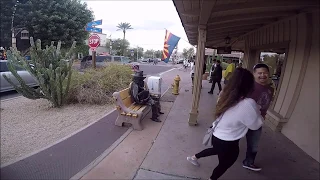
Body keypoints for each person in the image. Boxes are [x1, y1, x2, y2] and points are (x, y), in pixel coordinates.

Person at [187, 68, 263, 180]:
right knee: (224, 165)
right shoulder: (248, 104)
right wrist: (259, 112)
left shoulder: (224, 94)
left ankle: (194, 157)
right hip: (229, 143)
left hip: (217, 134)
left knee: (216, 149)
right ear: (249, 85)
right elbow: (255, 125)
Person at [242, 63, 274, 171]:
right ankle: (225, 156)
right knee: (231, 140)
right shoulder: (248, 87)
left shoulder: (270, 89)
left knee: (254, 144)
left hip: (257, 121)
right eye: (259, 73)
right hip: (243, 120)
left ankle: (248, 162)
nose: (262, 75)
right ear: (254, 74)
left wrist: (262, 116)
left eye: (265, 73)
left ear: (268, 74)